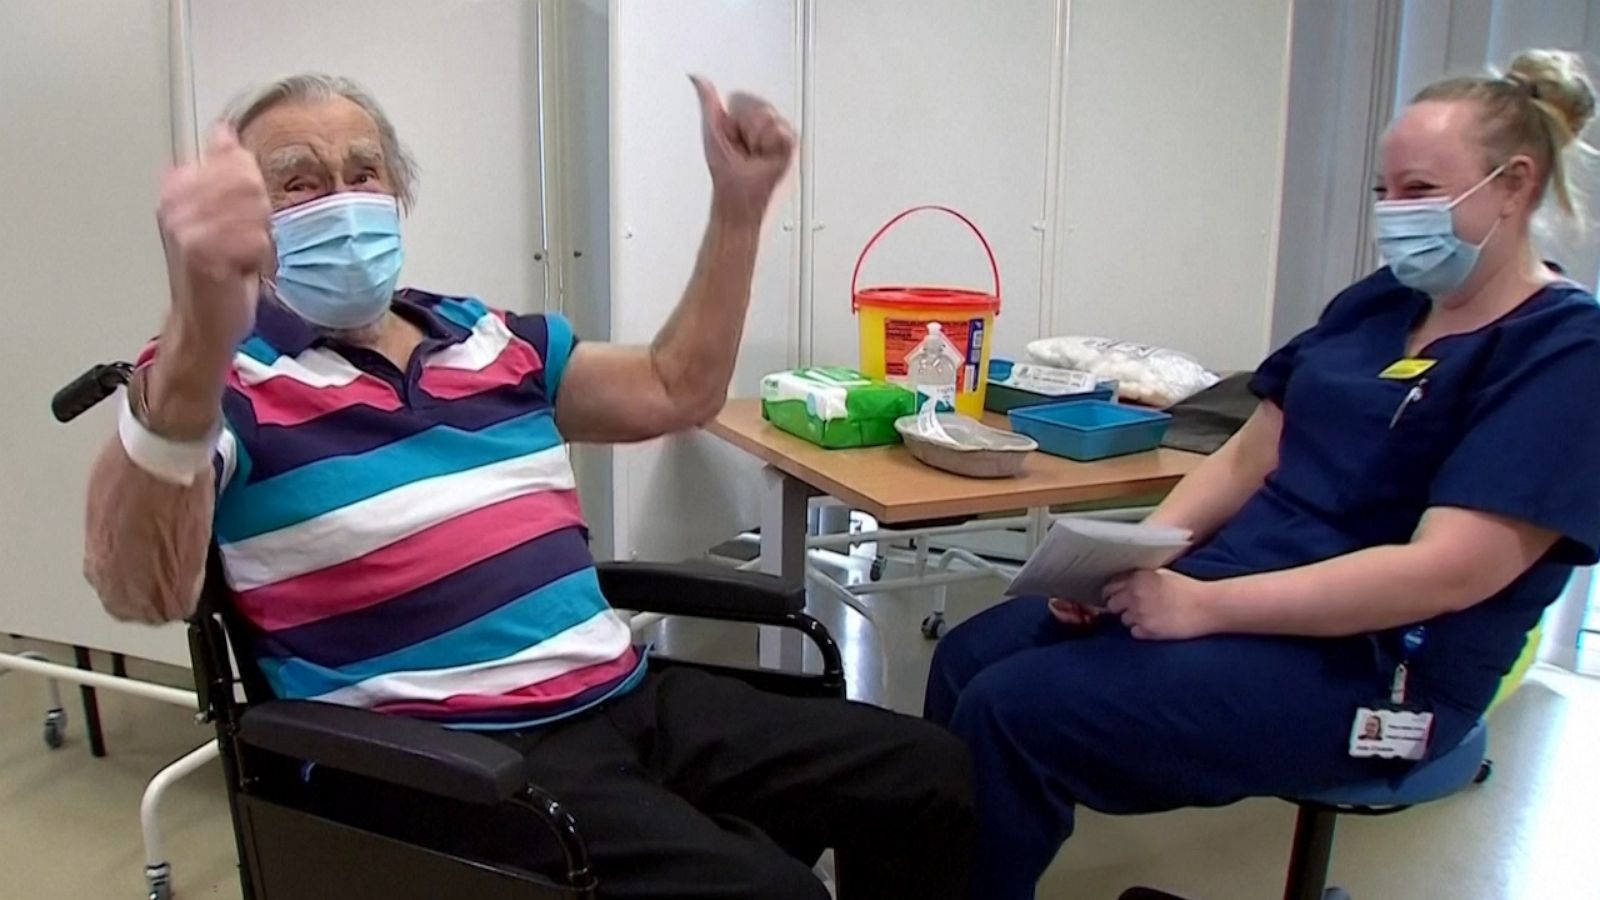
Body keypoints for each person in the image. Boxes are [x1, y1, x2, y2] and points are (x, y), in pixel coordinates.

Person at [82, 72, 973, 900]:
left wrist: (738, 210)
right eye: (300, 185)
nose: (344, 203)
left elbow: (674, 386)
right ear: (248, 223)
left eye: (364, 173)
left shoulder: (480, 335)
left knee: (924, 773)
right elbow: (137, 582)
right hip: (449, 760)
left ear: (400, 196)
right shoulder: (221, 378)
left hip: (617, 697)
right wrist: (200, 328)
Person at [925, 48, 1600, 900]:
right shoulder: (1380, 305)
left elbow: (1450, 569)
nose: (1395, 214)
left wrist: (1205, 606)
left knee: (1015, 712)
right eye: (1384, 192)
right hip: (1233, 591)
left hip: (1378, 666)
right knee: (968, 659)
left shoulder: (1564, 352)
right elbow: (1253, 449)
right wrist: (1137, 556)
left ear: (1515, 184)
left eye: (1421, 191)